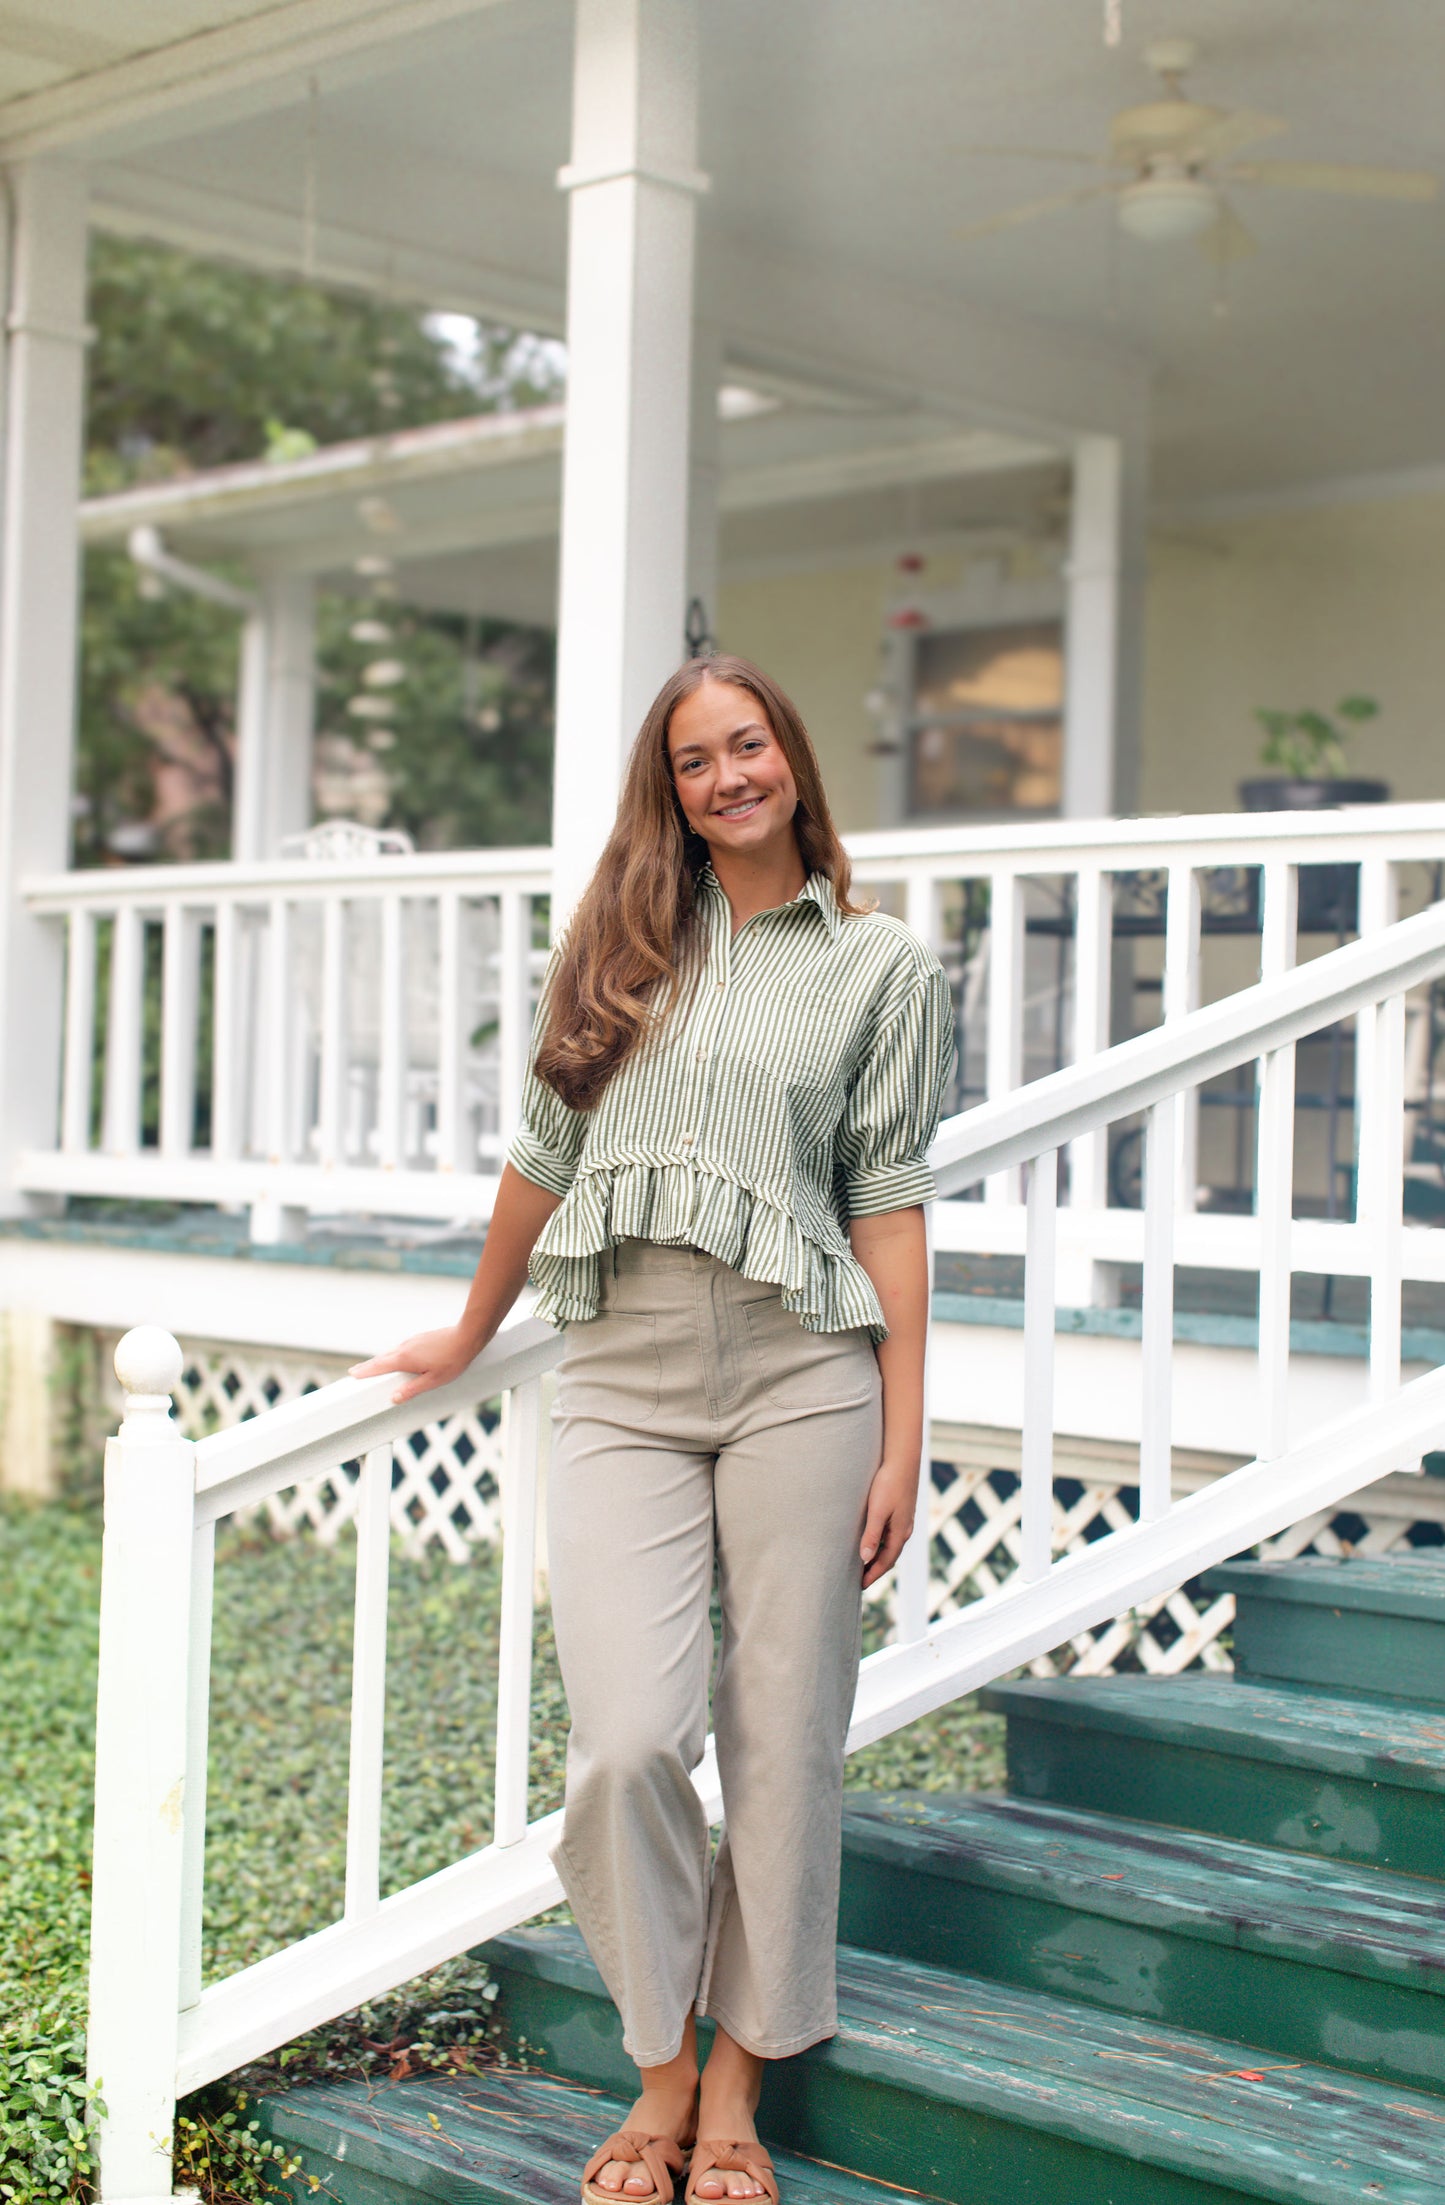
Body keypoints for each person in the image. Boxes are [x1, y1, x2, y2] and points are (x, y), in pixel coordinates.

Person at [352, 655, 954, 2205]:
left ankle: (734, 2100)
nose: (726, 774)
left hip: (800, 1369)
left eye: (748, 742)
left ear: (793, 759)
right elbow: (541, 1152)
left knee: (783, 1742)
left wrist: (902, 1433)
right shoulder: (621, 940)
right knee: (627, 1741)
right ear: (670, 788)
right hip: (618, 1365)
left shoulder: (881, 967)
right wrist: (471, 1329)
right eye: (694, 759)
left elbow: (886, 1207)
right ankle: (657, 2072)